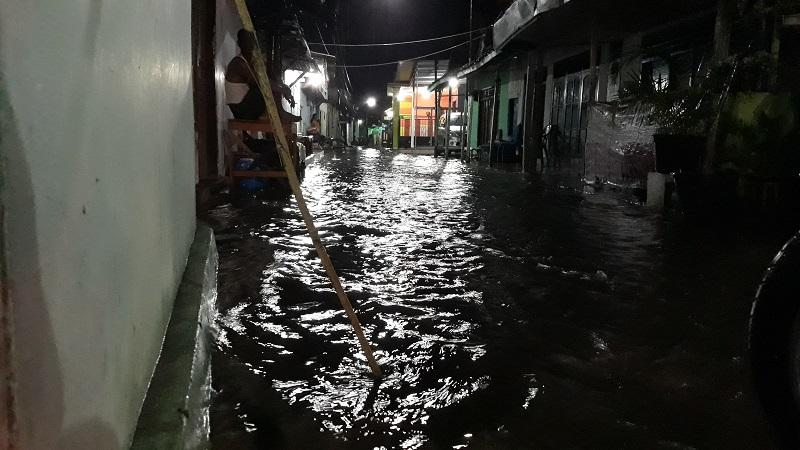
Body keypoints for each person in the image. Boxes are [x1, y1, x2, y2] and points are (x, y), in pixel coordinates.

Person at [225, 29, 300, 123]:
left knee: (270, 79)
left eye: (252, 41)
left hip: (246, 106)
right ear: (240, 43)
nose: (250, 45)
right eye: (247, 41)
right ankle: (280, 113)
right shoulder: (238, 63)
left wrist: (284, 87)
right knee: (266, 85)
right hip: (241, 111)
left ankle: (280, 112)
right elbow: (260, 83)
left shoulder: (249, 62)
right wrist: (283, 89)